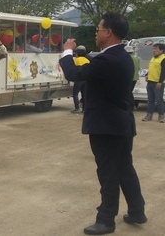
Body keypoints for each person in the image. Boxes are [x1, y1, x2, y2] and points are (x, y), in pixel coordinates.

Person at [59, 12, 146, 235]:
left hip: (107, 125)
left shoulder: (108, 59)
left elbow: (73, 73)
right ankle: (137, 211)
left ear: (108, 32)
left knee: (108, 172)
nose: (96, 33)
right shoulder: (122, 56)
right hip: (120, 122)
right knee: (124, 168)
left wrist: (67, 50)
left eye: (98, 29)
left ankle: (106, 219)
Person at [142, 43, 165, 122]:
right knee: (150, 100)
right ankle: (149, 115)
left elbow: (163, 71)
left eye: (156, 49)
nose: (154, 50)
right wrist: (147, 75)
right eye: (153, 49)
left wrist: (160, 81)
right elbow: (151, 68)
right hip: (150, 82)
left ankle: (161, 116)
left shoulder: (163, 58)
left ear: (161, 50)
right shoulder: (153, 58)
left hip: (158, 83)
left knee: (159, 100)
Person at [71, 45, 90, 113]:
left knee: (75, 93)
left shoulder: (77, 60)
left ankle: (77, 107)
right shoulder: (87, 60)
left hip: (79, 79)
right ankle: (84, 109)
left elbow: (75, 69)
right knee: (84, 94)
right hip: (86, 80)